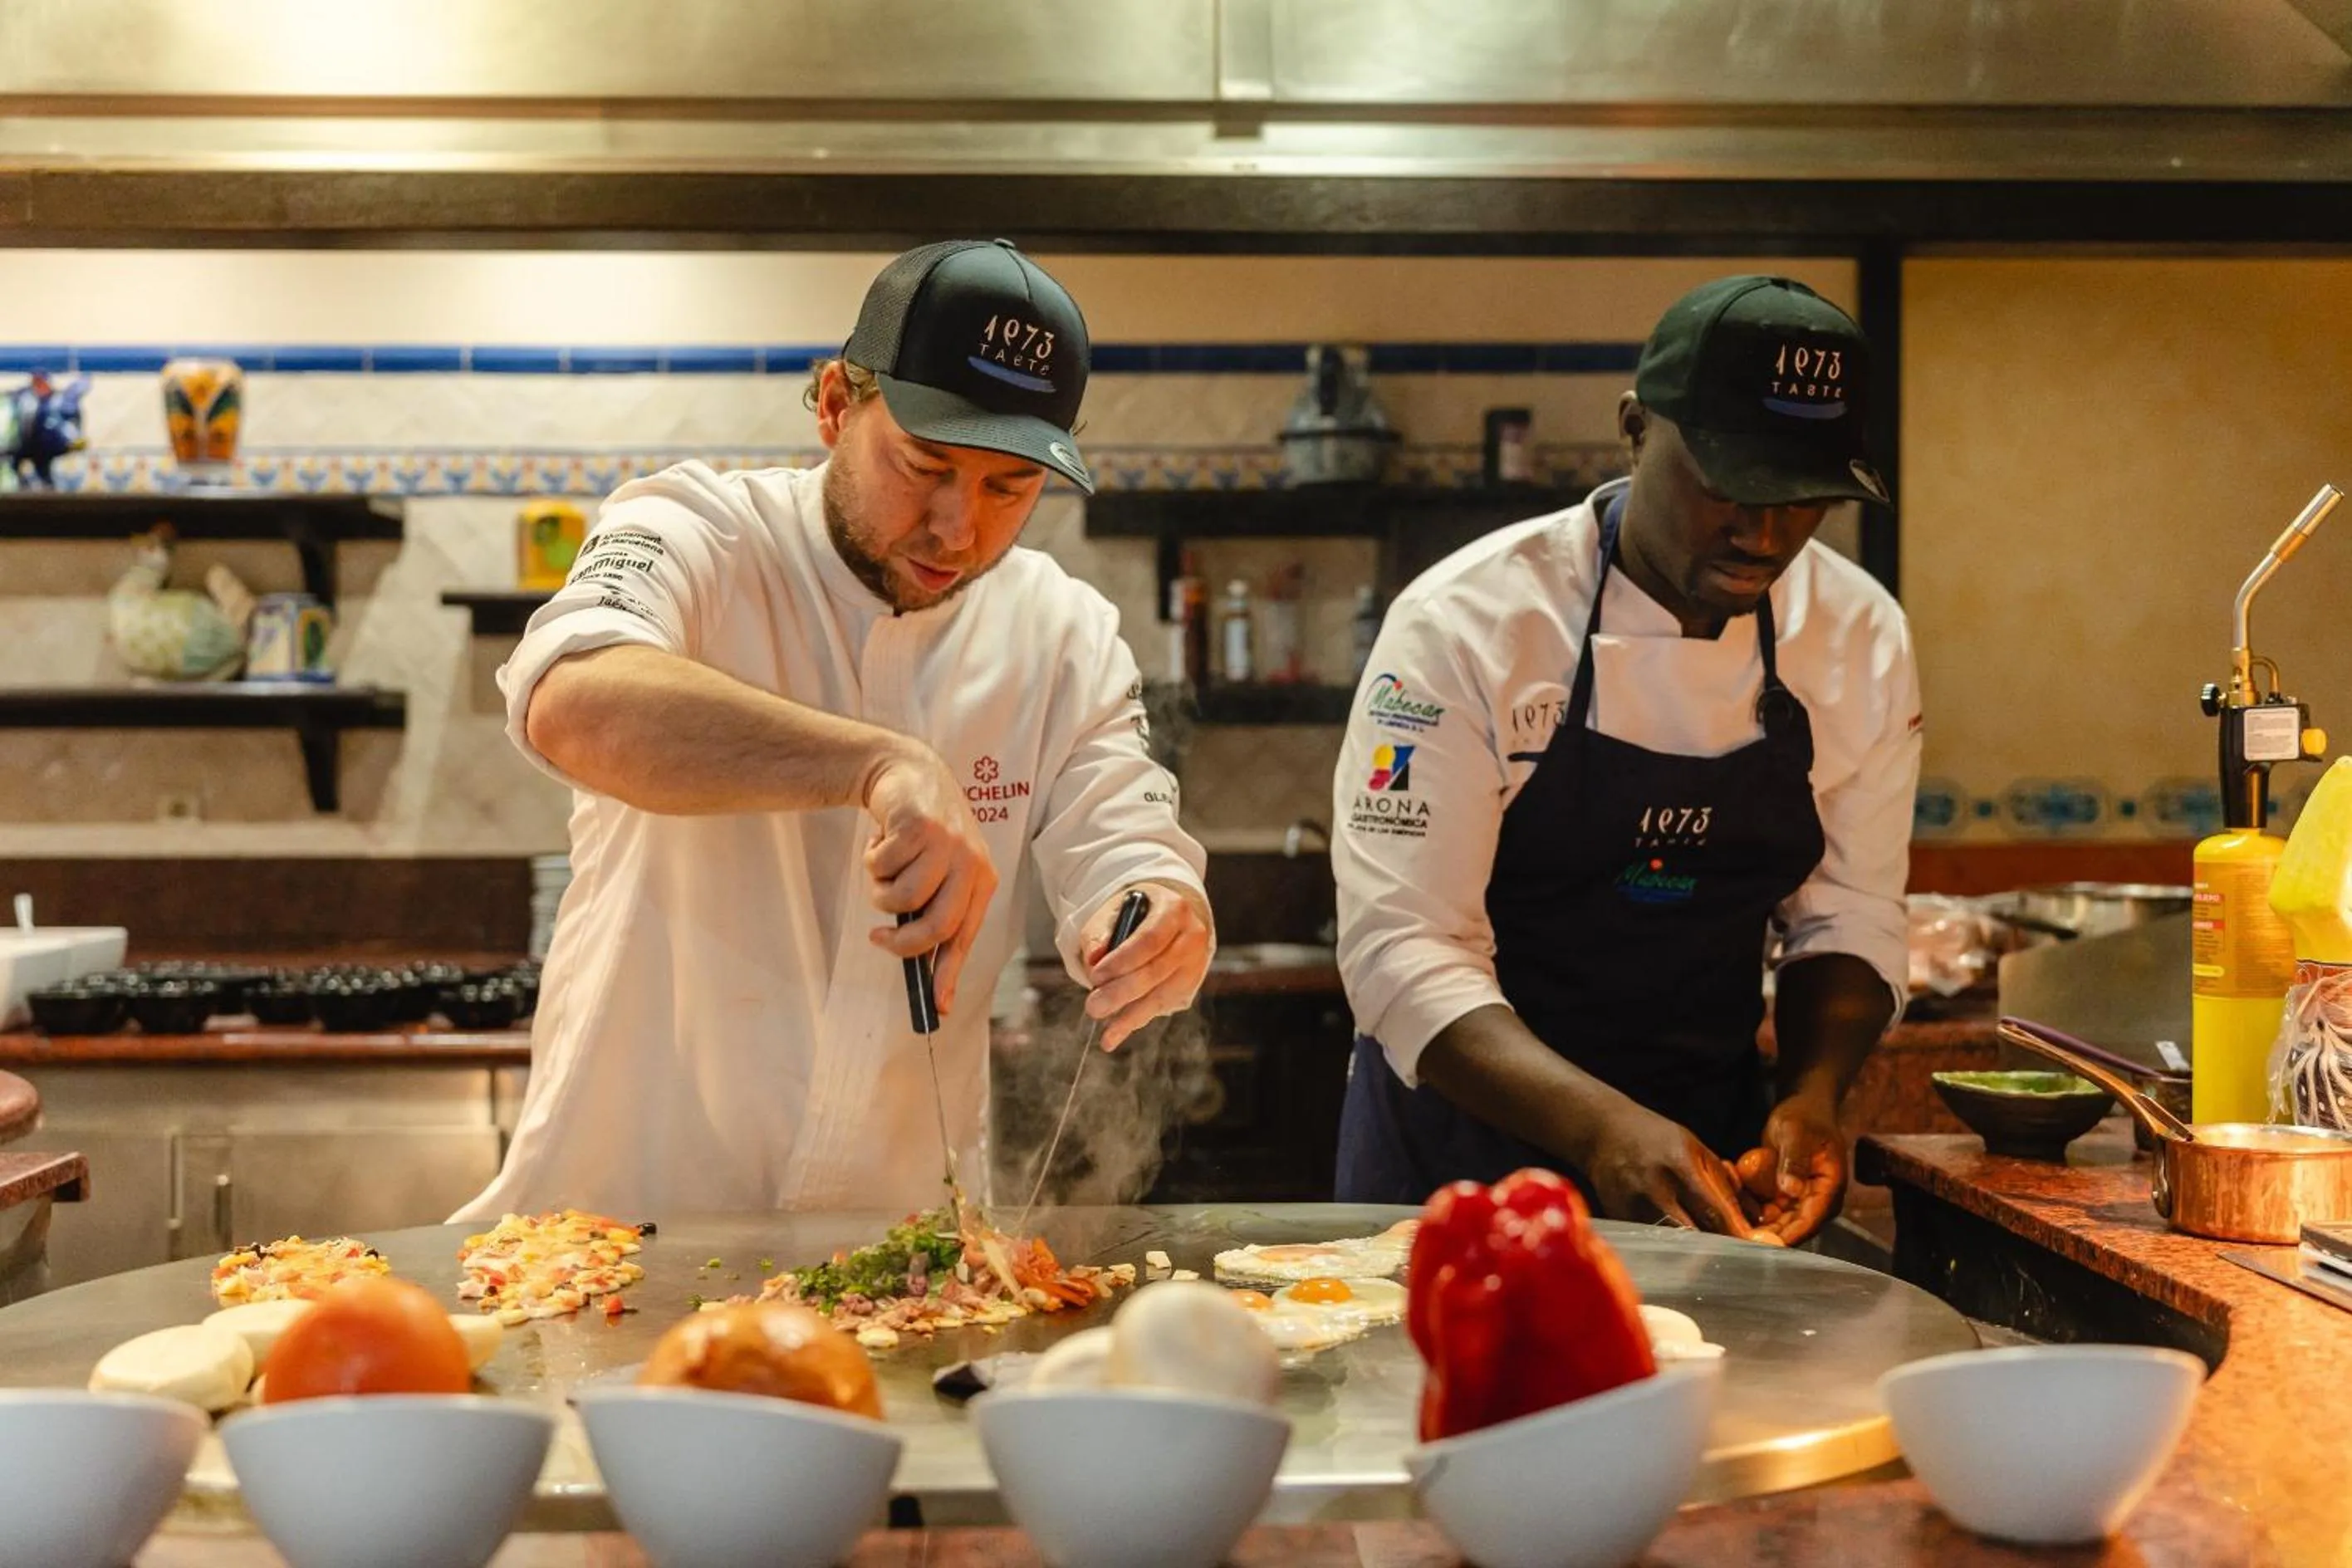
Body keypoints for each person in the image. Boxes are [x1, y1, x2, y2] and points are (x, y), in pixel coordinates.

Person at [456, 239, 1214, 1222]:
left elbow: (1128, 842)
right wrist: (880, 762)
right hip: (623, 1226)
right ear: (833, 405)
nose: (957, 528)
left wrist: (1156, 909)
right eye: (925, 463)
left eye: (1007, 488)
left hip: (899, 1252)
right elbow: (575, 701)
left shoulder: (1065, 634)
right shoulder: (696, 534)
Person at [1330, 276, 1919, 1245]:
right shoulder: (1466, 628)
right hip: (1455, 1176)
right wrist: (1603, 1127)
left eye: (1803, 495)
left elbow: (1848, 915)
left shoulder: (1858, 637)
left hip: (1711, 1173)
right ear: (1636, 428)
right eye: (1726, 482)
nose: (1762, 533)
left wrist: (1812, 1096)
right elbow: (1403, 951)